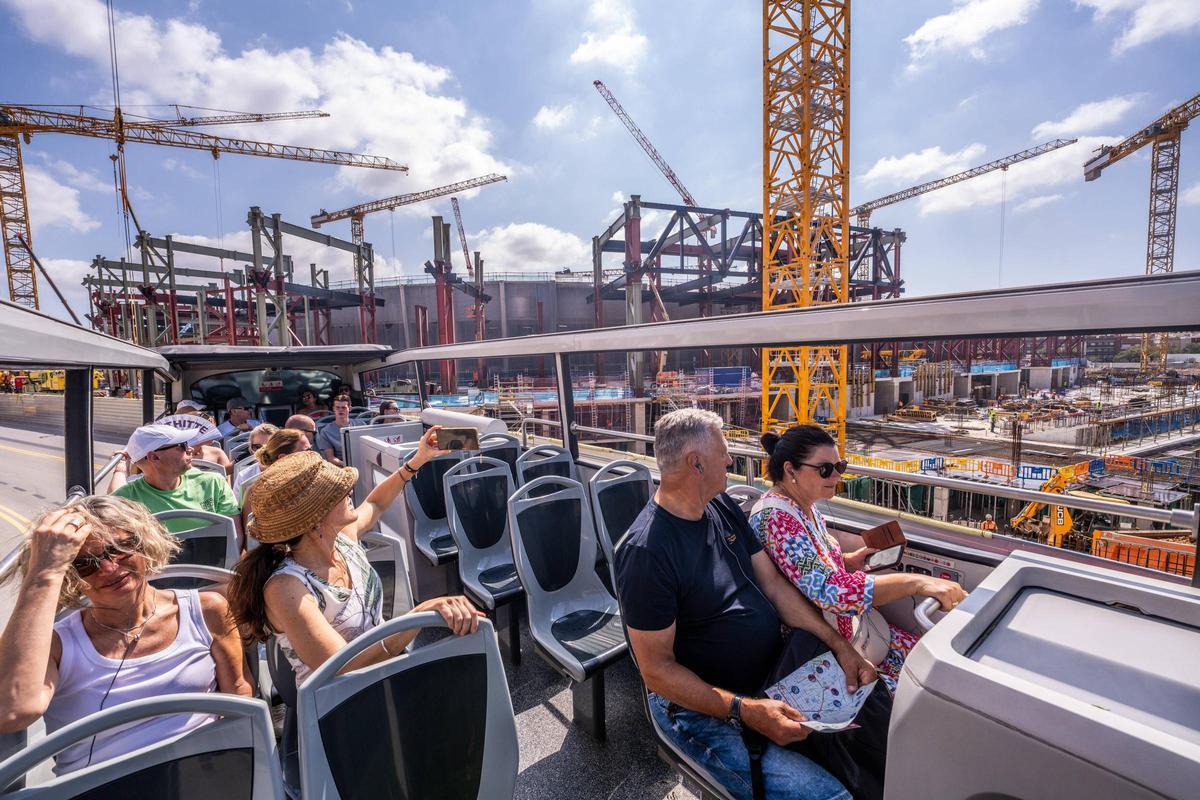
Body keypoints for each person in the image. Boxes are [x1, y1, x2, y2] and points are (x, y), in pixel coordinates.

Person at [616, 409, 882, 800]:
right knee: (831, 796)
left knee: (874, 733)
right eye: (724, 453)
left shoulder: (719, 507)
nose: (730, 461)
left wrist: (840, 647)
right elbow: (656, 672)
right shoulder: (647, 553)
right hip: (701, 709)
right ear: (696, 463)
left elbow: (774, 587)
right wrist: (746, 711)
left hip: (772, 675)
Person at [0, 497, 253, 775]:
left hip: (199, 774)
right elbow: (11, 710)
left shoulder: (206, 610)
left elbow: (239, 692)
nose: (109, 568)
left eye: (119, 548)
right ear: (68, 576)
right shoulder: (59, 643)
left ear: (143, 541)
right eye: (85, 564)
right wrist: (43, 573)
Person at [227, 428, 480, 687]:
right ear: (314, 518)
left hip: (384, 675)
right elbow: (342, 667)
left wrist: (418, 460)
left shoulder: (343, 540)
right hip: (341, 705)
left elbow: (376, 504)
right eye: (337, 491)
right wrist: (419, 613)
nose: (349, 490)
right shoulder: (285, 589)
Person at [748, 425, 966, 694]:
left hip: (853, 629)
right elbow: (829, 591)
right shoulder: (776, 519)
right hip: (822, 646)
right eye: (825, 469)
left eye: (840, 465)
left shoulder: (805, 507)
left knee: (936, 665)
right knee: (926, 687)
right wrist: (915, 583)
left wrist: (849, 560)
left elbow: (808, 565)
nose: (838, 475)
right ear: (791, 470)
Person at [109, 424, 241, 541]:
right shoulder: (123, 501)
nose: (190, 449)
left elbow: (235, 537)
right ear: (154, 457)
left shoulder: (213, 483)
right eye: (182, 446)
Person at [230, 424, 279, 502]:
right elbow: (238, 507)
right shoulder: (244, 476)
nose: (262, 451)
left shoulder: (290, 471)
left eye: (269, 446)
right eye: (257, 447)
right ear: (251, 448)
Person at [315, 396, 354, 467]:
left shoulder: (361, 424)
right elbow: (331, 458)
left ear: (350, 408)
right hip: (342, 466)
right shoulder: (326, 431)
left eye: (343, 407)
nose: (340, 410)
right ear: (333, 409)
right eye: (337, 407)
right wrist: (348, 465)